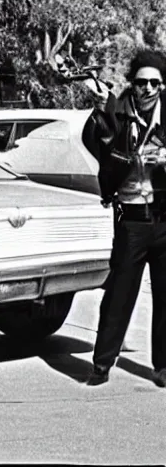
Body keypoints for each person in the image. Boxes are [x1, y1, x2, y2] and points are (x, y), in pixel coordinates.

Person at [82, 49, 166, 386]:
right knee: (119, 293)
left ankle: (162, 367)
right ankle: (102, 363)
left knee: (165, 296)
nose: (147, 89)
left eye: (154, 83)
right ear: (132, 83)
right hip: (131, 218)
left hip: (163, 215)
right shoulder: (119, 110)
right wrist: (101, 106)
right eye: (141, 82)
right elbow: (96, 139)